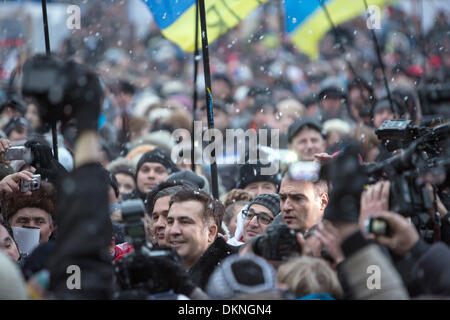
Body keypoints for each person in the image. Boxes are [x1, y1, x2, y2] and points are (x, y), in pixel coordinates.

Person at [165, 188, 239, 289]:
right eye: (170, 222)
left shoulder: (233, 274)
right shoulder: (154, 270)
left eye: (185, 222)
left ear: (211, 232)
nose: (174, 231)